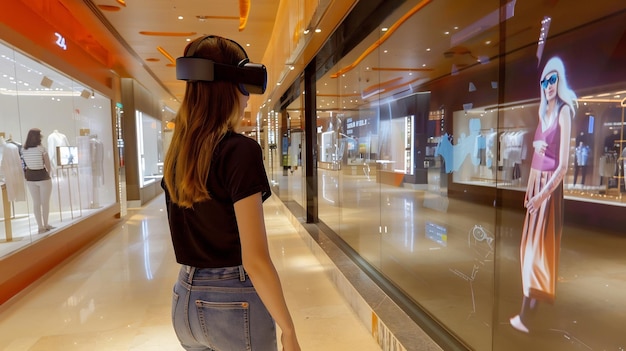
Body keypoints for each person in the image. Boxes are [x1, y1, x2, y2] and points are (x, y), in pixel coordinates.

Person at [161, 35, 301, 351]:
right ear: (230, 88)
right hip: (232, 302)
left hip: (184, 296)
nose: (247, 99)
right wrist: (288, 329)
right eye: (243, 89)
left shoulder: (178, 154)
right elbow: (255, 258)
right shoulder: (240, 151)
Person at [510, 56, 577, 333]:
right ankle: (529, 312)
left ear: (559, 80)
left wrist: (541, 196)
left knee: (537, 252)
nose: (549, 85)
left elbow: (562, 166)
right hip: (536, 186)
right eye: (544, 80)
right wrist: (529, 191)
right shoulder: (543, 112)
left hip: (548, 189)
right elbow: (539, 157)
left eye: (553, 79)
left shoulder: (563, 111)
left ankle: (527, 317)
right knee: (528, 250)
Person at [21, 128, 55, 234]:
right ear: (38, 137)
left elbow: (23, 164)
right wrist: (48, 174)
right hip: (42, 176)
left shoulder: (23, 149)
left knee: (36, 203)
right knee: (45, 203)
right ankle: (46, 224)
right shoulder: (42, 149)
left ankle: (40, 227)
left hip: (30, 177)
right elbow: (48, 165)